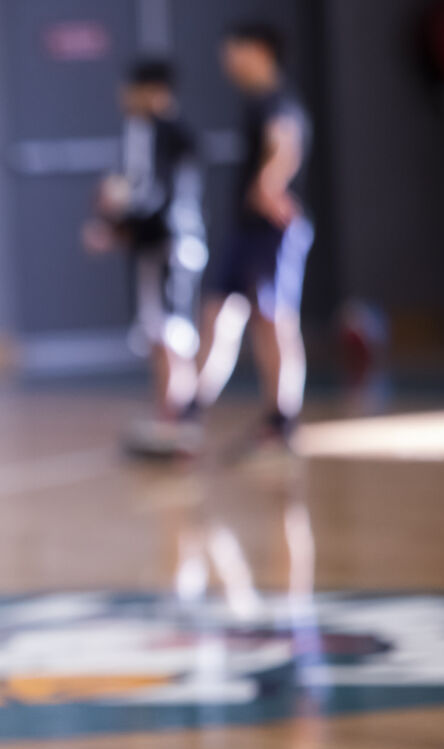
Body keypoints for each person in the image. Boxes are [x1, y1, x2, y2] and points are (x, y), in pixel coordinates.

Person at [188, 22, 314, 455]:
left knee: (273, 320)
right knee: (217, 313)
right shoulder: (256, 101)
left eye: (233, 50)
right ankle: (188, 411)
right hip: (245, 230)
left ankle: (282, 419)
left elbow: (285, 143)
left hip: (270, 230)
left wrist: (268, 184)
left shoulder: (278, 101)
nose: (227, 60)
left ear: (259, 51)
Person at [81, 58, 207, 456]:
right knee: (167, 331)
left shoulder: (153, 131)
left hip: (163, 244)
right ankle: (174, 419)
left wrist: (117, 227)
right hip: (176, 240)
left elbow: (151, 194)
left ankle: (174, 423)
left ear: (153, 92)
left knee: (166, 332)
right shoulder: (177, 133)